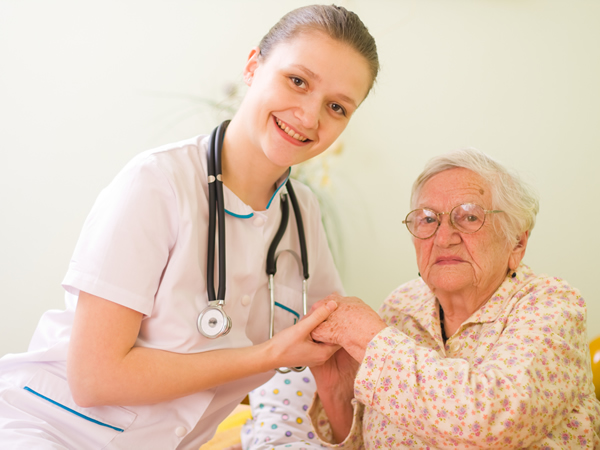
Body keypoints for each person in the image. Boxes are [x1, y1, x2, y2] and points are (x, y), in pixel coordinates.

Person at [0, 5, 379, 449]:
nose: (310, 117)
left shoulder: (302, 214)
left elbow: (333, 354)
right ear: (254, 66)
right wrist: (266, 355)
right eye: (297, 81)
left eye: (337, 107)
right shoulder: (157, 184)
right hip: (52, 431)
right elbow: (94, 377)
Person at [306, 149, 600, 448]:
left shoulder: (552, 304)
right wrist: (336, 393)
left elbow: (491, 423)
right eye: (427, 219)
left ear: (517, 243)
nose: (444, 237)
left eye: (470, 217)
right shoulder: (401, 305)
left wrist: (370, 340)